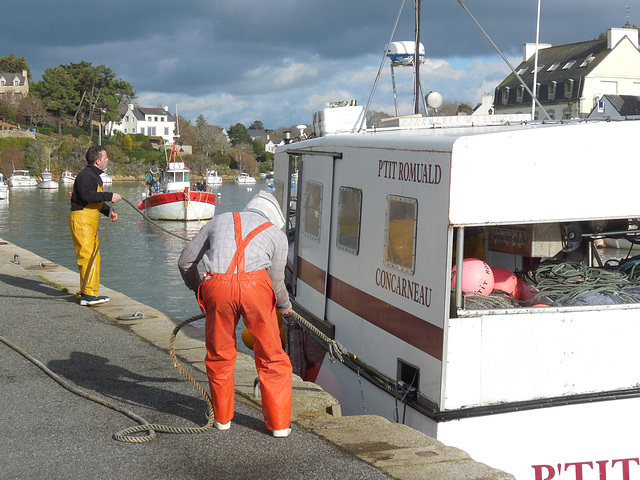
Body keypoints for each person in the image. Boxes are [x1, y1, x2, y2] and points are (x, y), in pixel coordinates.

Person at [178, 190, 293, 438]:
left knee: (219, 354)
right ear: (274, 217)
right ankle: (280, 426)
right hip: (256, 289)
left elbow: (185, 262)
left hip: (217, 286)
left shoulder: (217, 220)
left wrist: (198, 289)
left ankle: (222, 419)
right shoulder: (277, 234)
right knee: (271, 356)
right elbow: (276, 281)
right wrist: (284, 305)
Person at [69, 145, 122, 306]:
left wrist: (108, 211)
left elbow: (93, 200)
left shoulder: (94, 175)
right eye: (105, 158)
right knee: (88, 256)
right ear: (98, 161)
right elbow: (87, 195)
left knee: (93, 256)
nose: (107, 160)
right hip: (82, 220)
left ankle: (88, 291)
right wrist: (109, 196)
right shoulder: (86, 176)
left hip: (89, 222)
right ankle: (88, 295)